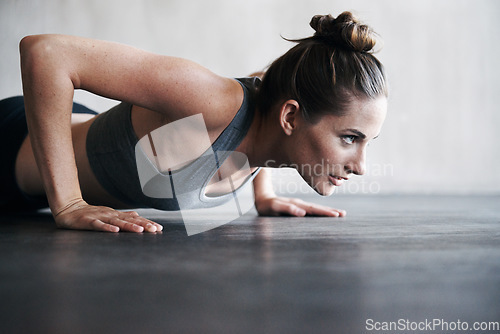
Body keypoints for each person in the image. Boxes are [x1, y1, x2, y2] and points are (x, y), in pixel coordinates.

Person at [0, 11, 388, 233]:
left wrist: (262, 196)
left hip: (65, 154)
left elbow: (267, 91)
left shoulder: (273, 115)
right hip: (8, 146)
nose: (360, 165)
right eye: (350, 138)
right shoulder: (213, 101)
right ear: (290, 116)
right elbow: (46, 54)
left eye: (367, 141)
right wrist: (68, 203)